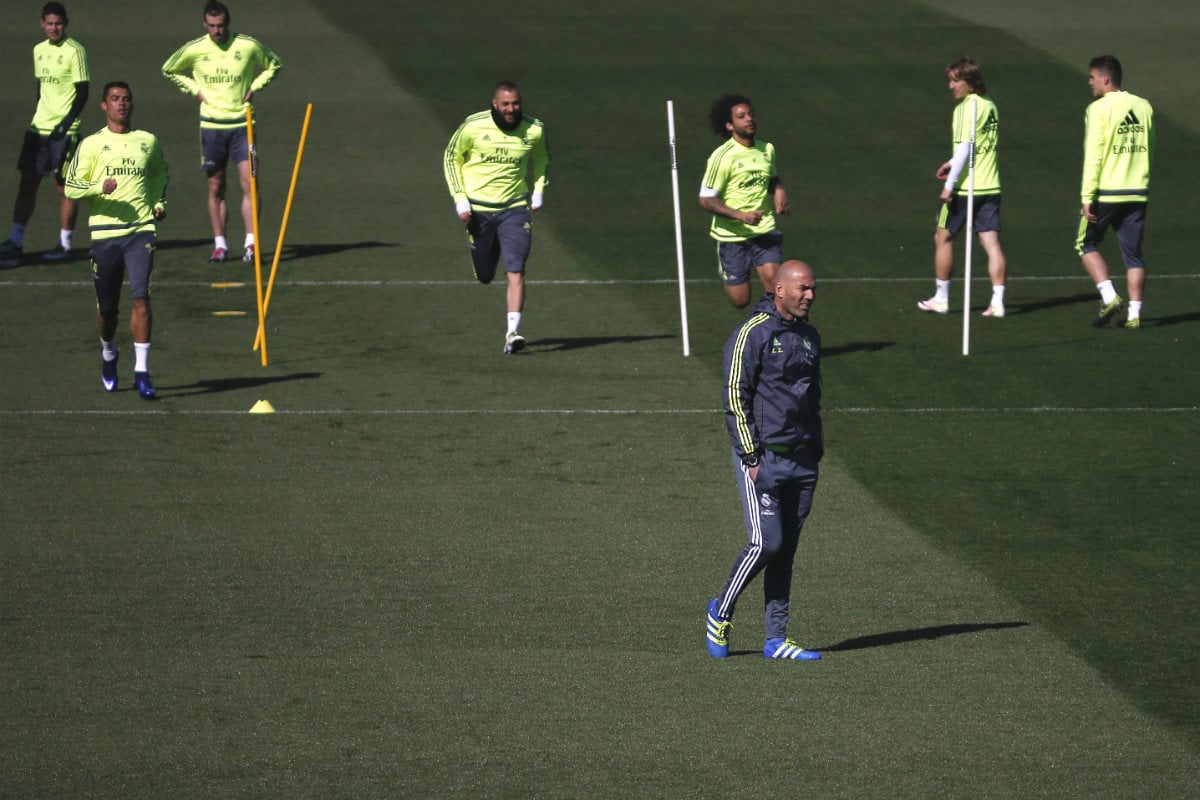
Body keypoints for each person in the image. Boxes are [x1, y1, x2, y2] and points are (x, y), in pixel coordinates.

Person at [706, 260, 824, 661]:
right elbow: (735, 396)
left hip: (802, 461)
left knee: (786, 548)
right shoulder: (752, 334)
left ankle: (776, 638)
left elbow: (814, 399)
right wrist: (751, 456)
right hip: (764, 458)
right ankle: (720, 610)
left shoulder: (810, 337)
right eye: (803, 289)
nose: (810, 296)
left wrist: (816, 451)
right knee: (765, 543)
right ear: (780, 290)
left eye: (812, 289)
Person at [64, 82, 168, 399]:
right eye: (114, 99)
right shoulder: (92, 145)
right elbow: (71, 187)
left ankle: (142, 372)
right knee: (108, 311)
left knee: (141, 297)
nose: (121, 104)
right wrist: (99, 187)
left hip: (140, 230)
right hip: (105, 234)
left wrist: (158, 203)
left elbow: (159, 174)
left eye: (126, 99)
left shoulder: (147, 141)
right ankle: (109, 352)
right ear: (103, 106)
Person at [161, 1, 281, 264]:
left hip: (242, 126)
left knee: (249, 182)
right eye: (212, 26)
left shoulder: (247, 45)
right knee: (216, 186)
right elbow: (169, 69)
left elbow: (274, 64)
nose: (217, 31)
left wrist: (256, 85)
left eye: (221, 26)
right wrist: (195, 90)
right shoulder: (195, 49)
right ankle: (220, 245)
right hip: (212, 128)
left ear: (228, 23)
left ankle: (251, 243)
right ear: (205, 25)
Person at [443, 81, 550, 355]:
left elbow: (542, 159)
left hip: (515, 209)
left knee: (516, 270)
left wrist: (538, 190)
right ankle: (483, 251)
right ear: (495, 104)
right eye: (505, 104)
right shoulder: (473, 126)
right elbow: (451, 157)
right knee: (485, 274)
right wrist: (460, 199)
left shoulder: (534, 129)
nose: (511, 108)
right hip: (478, 209)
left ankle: (512, 333)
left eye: (515, 103)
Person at [0, 3, 89, 268]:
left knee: (64, 189)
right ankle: (15, 242)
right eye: (49, 23)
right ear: (42, 23)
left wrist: (66, 123)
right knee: (27, 184)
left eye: (58, 23)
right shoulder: (38, 50)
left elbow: (83, 92)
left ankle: (64, 245)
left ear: (66, 23)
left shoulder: (75, 51)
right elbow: (40, 89)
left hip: (64, 132)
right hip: (38, 129)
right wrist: (40, 117)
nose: (54, 28)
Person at [918, 56, 1007, 317]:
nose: (951, 86)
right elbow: (975, 147)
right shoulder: (990, 106)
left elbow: (966, 148)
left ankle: (941, 298)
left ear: (970, 82)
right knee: (991, 243)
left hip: (966, 188)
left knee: (943, 237)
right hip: (990, 186)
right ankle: (998, 302)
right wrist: (951, 162)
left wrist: (950, 184)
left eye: (956, 81)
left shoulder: (965, 109)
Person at [1077, 55, 1154, 329]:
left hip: (1108, 192)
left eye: (1092, 77)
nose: (1090, 82)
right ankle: (1134, 315)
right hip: (1137, 191)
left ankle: (1109, 296)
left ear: (1105, 78)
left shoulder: (1098, 109)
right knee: (1134, 255)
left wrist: (1088, 196)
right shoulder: (1144, 106)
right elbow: (1149, 147)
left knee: (1085, 244)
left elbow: (1094, 155)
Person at [699, 95, 790, 309]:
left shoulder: (767, 149)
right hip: (732, 237)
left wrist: (778, 189)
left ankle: (773, 334)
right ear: (730, 125)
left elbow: (771, 176)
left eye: (751, 114)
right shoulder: (722, 157)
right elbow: (705, 199)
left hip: (763, 230)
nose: (749, 119)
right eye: (742, 117)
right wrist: (740, 215)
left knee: (776, 289)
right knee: (740, 300)